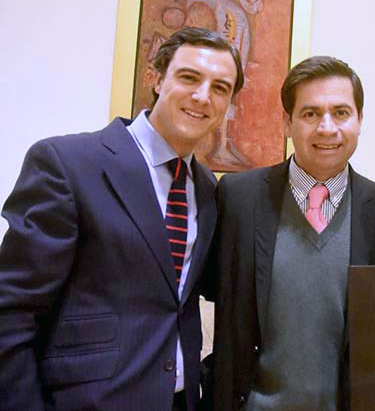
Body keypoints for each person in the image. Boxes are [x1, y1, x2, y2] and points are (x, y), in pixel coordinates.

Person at [0, 27, 244, 411]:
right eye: (189, 77)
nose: (202, 96)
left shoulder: (206, 187)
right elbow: (12, 311)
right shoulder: (68, 164)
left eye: (220, 87)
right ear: (157, 78)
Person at [209, 56, 375, 410]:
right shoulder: (237, 198)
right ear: (287, 122)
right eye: (311, 114)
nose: (327, 128)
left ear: (360, 120)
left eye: (341, 113)